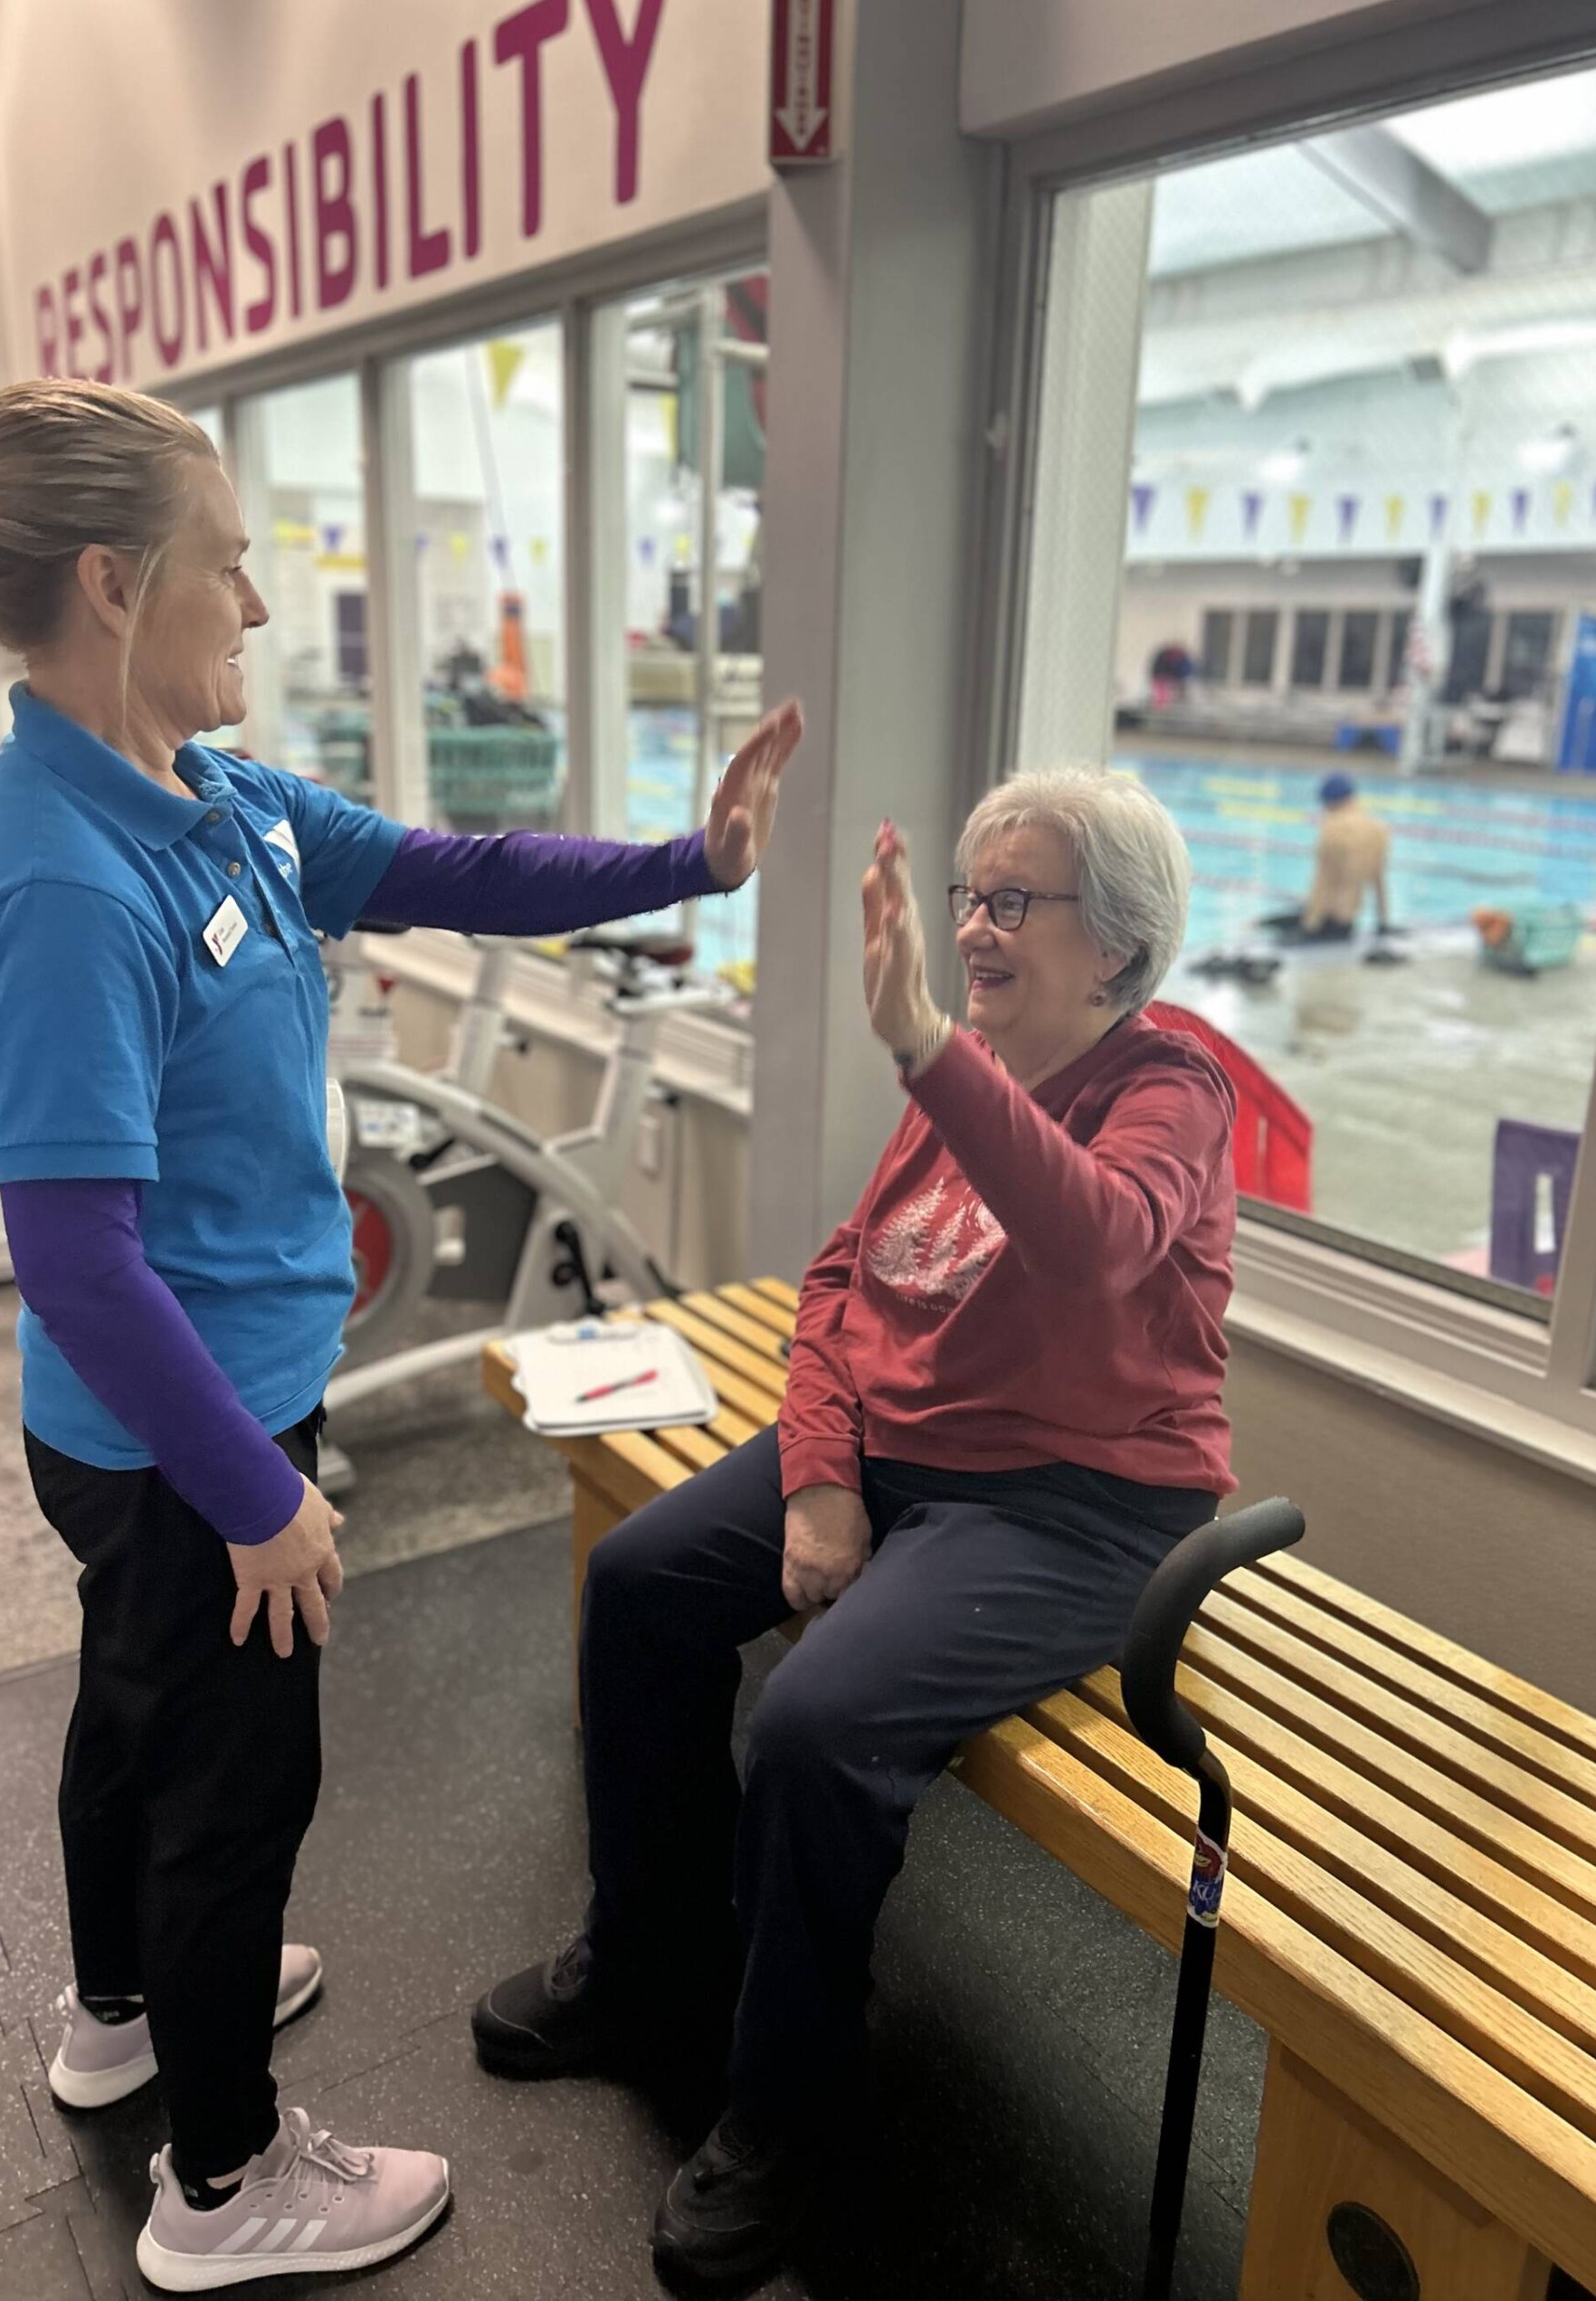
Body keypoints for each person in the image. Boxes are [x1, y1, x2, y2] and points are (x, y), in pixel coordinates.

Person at [0, 379, 802, 2294]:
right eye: (227, 562)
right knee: (233, 1790)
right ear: (112, 582)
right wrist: (258, 1497)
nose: (256, 602)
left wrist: (689, 863)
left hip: (185, 1415)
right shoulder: (63, 877)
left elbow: (453, 870)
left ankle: (120, 2011)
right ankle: (223, 2180)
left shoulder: (217, 799)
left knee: (135, 1721)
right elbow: (73, 1260)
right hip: (180, 1431)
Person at [472, 771, 1238, 2288]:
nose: (977, 927)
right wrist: (822, 1473)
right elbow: (844, 1282)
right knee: (637, 1583)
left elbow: (1094, 1244)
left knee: (817, 1729)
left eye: (1014, 901)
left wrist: (929, 1047)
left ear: (1117, 942)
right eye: (969, 896)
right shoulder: (971, 1076)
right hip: (896, 1451)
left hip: (1079, 1503)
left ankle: (788, 2111)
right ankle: (648, 1962)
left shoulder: (1172, 1092)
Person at [1264, 771, 1391, 942]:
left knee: (1263, 925)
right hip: (1347, 924)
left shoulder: (1333, 828)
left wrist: (1308, 928)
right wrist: (1383, 923)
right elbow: (1379, 881)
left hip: (1324, 922)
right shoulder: (1378, 829)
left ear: (1330, 802)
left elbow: (1323, 882)